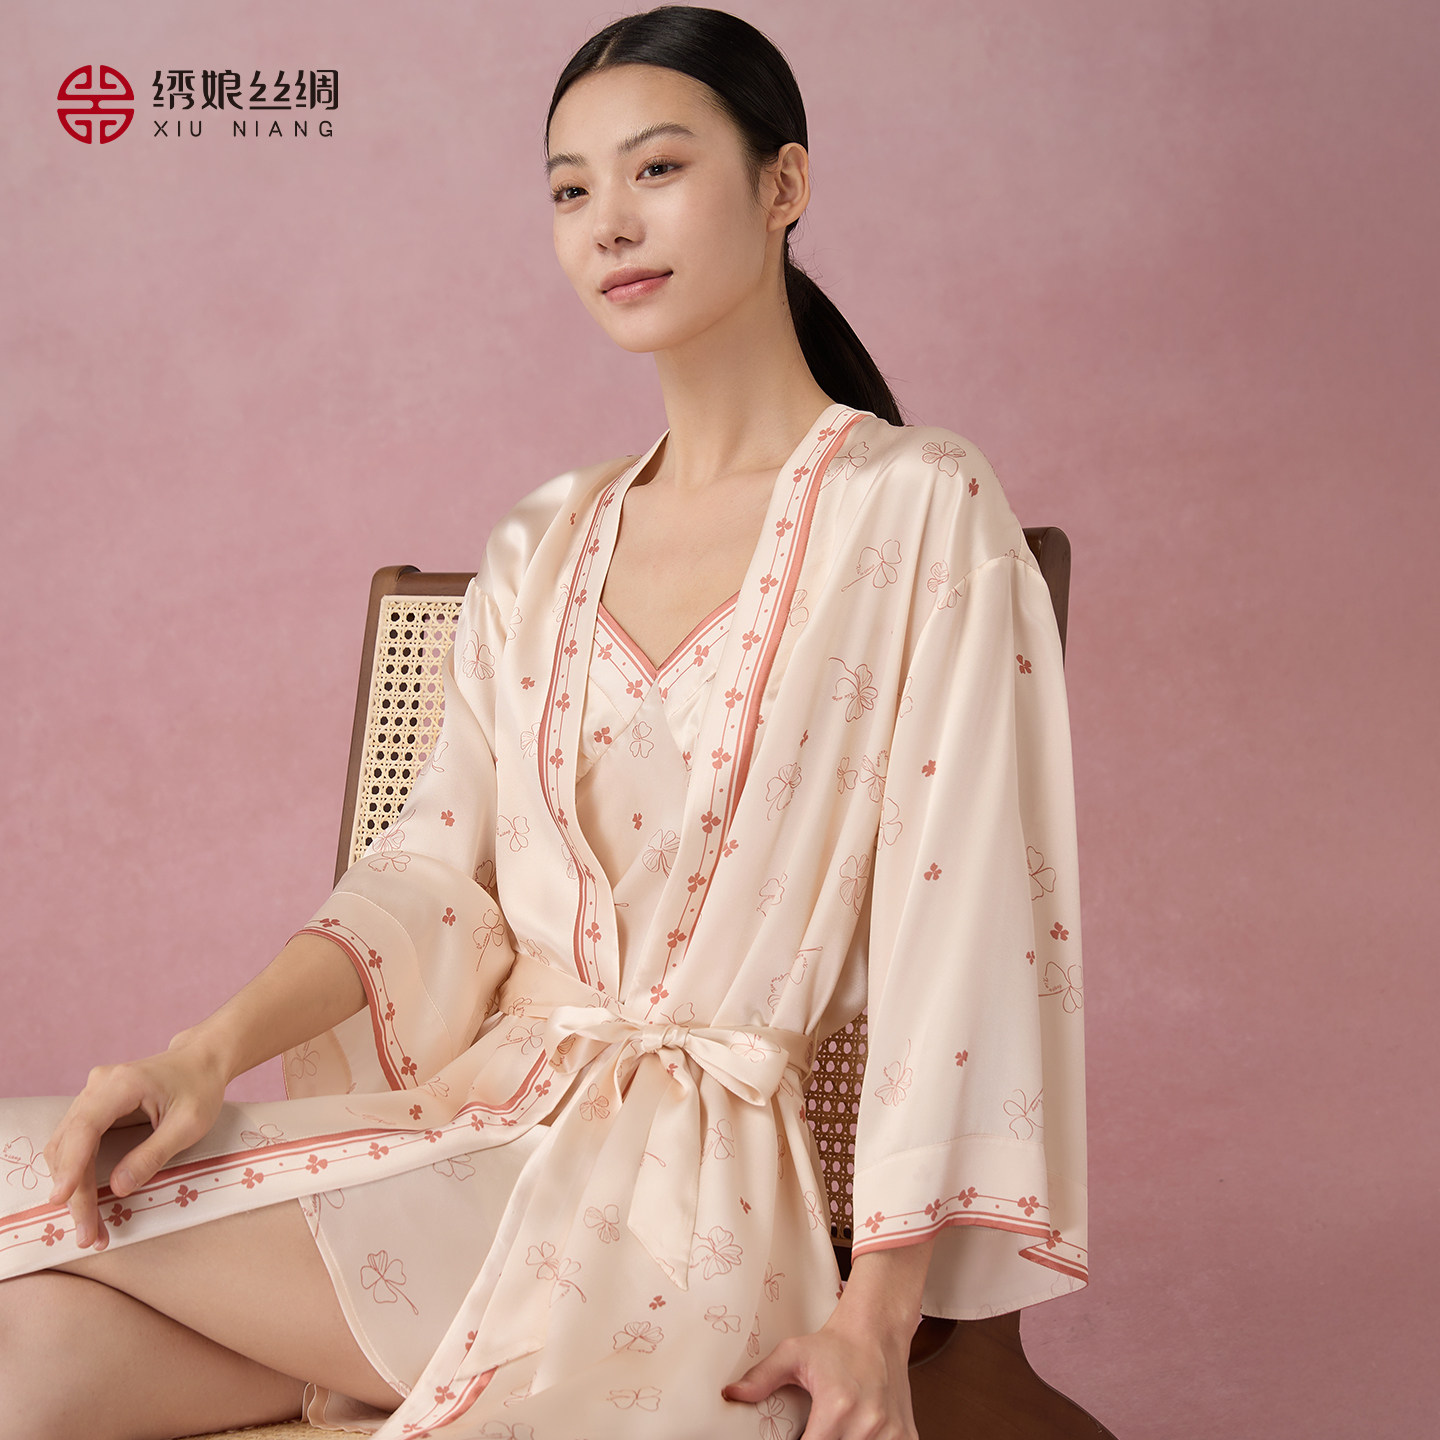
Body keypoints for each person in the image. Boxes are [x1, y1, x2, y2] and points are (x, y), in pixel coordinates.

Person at [0, 7, 1089, 1438]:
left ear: (784, 184)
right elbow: (425, 879)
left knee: (23, 1198)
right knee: (23, 1354)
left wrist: (876, 1320)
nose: (609, 223)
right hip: (476, 1132)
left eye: (657, 169)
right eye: (571, 189)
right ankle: (385, 1367)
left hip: (683, 1219)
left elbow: (968, 937)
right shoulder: (544, 545)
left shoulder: (921, 510)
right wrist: (203, 1054)